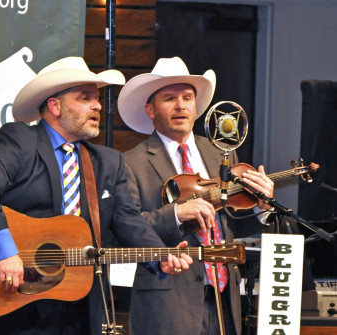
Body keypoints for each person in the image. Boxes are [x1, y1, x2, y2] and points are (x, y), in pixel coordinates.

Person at [0, 56, 193, 335]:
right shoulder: (22, 141)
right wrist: (4, 252)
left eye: (96, 98)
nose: (97, 105)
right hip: (20, 302)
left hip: (81, 305)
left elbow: (127, 219)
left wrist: (159, 255)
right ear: (55, 106)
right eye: (85, 98)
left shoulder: (108, 162)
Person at [117, 56, 275, 335]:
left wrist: (262, 207)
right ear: (150, 110)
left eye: (187, 97)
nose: (181, 105)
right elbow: (124, 227)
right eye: (169, 98)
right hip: (168, 303)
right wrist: (176, 215)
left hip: (224, 301)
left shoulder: (221, 153)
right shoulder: (130, 162)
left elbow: (233, 224)